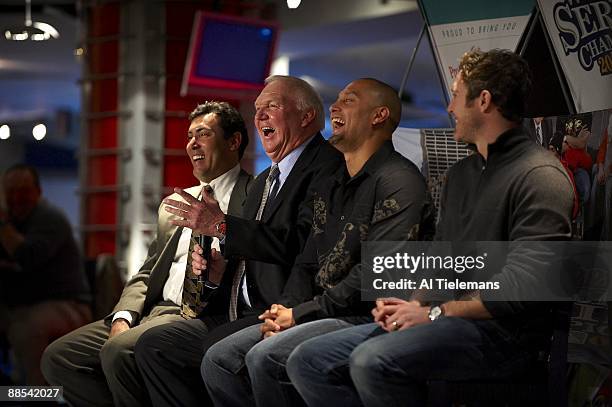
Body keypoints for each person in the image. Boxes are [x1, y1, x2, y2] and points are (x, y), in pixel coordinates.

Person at [285, 49, 575, 407]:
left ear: (483, 101)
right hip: (444, 321)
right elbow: (439, 257)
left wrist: (435, 312)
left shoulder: (539, 175)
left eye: (455, 95)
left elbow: (523, 288)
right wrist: (412, 302)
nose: (450, 108)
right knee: (307, 359)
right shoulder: (462, 175)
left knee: (371, 360)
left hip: (505, 336)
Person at [201, 78, 434, 407]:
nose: (335, 107)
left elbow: (370, 275)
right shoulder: (333, 182)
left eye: (348, 100)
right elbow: (307, 261)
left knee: (266, 358)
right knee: (219, 359)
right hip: (323, 310)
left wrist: (300, 314)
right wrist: (284, 313)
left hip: (366, 313)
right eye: (336, 99)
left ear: (379, 115)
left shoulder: (399, 180)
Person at [133, 75, 343, 407]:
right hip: (239, 310)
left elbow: (301, 244)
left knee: (207, 353)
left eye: (272, 106)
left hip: (281, 307)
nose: (259, 116)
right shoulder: (264, 180)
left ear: (306, 117)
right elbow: (255, 249)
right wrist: (218, 273)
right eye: (257, 109)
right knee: (155, 346)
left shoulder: (327, 168)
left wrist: (221, 225)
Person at [41, 101, 252, 407]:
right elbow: (147, 270)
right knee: (59, 357)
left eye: (203, 134)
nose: (192, 143)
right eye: (189, 136)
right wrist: (124, 315)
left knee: (119, 351)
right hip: (154, 310)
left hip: (202, 314)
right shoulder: (174, 204)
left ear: (233, 142)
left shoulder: (255, 197)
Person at [0, 164, 91, 385]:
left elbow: (26, 256)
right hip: (26, 305)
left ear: (38, 192)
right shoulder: (15, 221)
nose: (16, 198)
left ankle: (39, 396)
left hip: (69, 306)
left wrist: (2, 224)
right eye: (11, 191)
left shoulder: (50, 218)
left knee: (26, 329)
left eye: (23, 190)